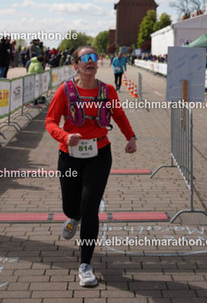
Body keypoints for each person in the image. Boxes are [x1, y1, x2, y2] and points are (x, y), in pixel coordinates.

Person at [45, 46, 137, 288]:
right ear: (76, 65)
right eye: (85, 58)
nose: (91, 61)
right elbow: (50, 121)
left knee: (90, 207)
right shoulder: (65, 90)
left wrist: (131, 137)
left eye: (94, 57)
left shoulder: (107, 91)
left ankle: (85, 264)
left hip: (99, 154)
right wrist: (65, 136)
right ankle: (72, 216)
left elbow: (118, 115)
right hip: (70, 155)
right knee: (71, 206)